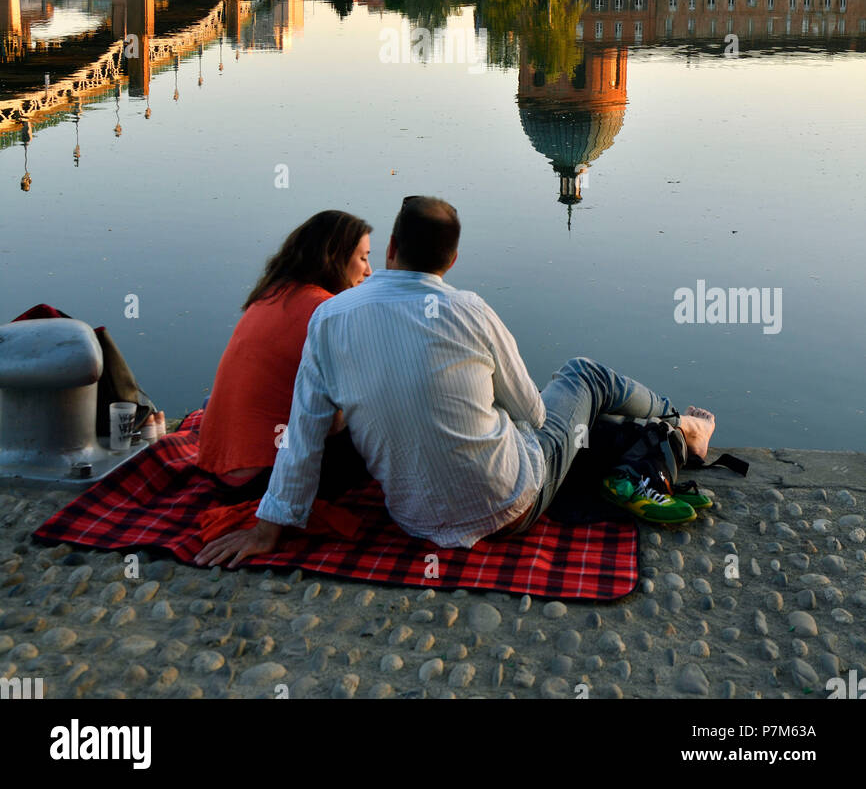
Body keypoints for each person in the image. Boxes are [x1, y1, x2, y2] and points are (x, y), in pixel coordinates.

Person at [196, 196, 716, 568]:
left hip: (414, 518)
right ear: (453, 259)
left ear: (393, 246)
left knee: (567, 421)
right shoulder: (469, 309)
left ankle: (657, 435)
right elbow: (534, 415)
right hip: (512, 506)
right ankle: (682, 423)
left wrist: (268, 531)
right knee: (584, 375)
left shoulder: (330, 320)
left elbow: (303, 437)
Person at [196, 209, 373, 500]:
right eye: (363, 258)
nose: (369, 271)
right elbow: (332, 423)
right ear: (335, 257)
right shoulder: (327, 312)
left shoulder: (272, 294)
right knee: (387, 423)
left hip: (219, 472)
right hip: (265, 481)